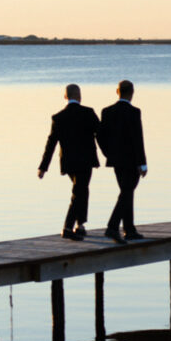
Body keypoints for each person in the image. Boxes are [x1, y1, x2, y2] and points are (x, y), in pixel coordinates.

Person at [38, 84, 101, 240]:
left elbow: (51, 143)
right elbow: (101, 134)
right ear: (80, 96)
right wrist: (111, 154)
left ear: (65, 97)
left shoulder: (58, 117)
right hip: (86, 161)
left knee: (81, 189)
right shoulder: (88, 113)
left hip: (69, 162)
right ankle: (67, 227)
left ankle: (80, 225)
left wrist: (43, 167)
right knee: (79, 191)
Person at [98, 80, 147, 243]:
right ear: (132, 92)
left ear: (117, 91)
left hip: (116, 160)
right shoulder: (134, 112)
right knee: (127, 192)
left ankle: (129, 229)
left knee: (126, 192)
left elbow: (100, 136)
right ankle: (113, 227)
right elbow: (138, 139)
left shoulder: (107, 111)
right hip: (131, 160)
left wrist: (108, 153)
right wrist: (142, 163)